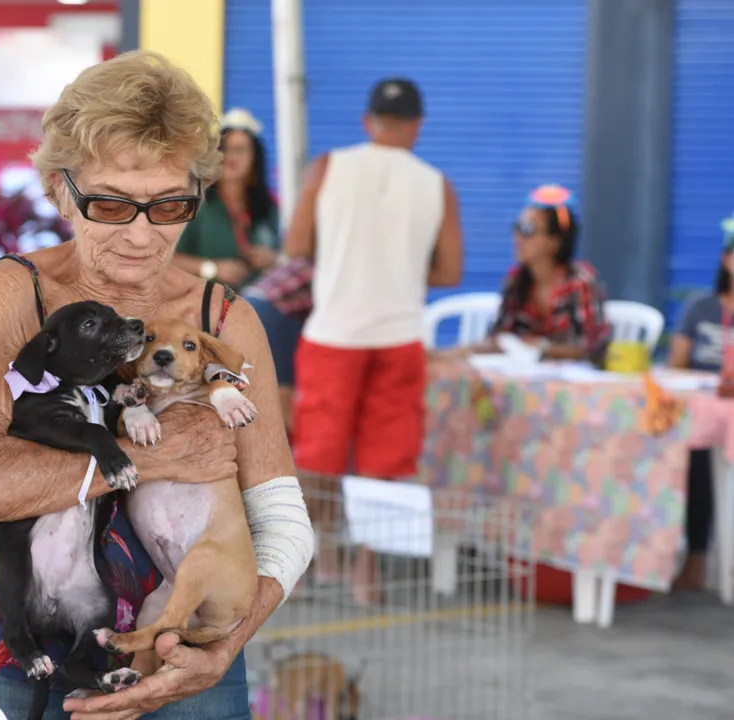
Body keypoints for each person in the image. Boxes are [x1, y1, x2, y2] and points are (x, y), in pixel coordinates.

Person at [0, 51, 314, 720]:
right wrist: (154, 457)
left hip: (174, 644)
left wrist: (226, 644)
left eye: (170, 205)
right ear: (59, 189)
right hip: (7, 634)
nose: (142, 236)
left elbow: (284, 519)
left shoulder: (220, 319)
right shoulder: (15, 293)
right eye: (110, 204)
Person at [283, 77, 463, 603]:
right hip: (400, 335)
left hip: (333, 333)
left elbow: (296, 246)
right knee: (385, 461)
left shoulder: (328, 167)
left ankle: (300, 565)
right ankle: (366, 574)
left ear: (367, 122)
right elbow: (450, 270)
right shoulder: (437, 184)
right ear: (418, 125)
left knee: (317, 455)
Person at [666, 213, 734, 590]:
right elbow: (676, 363)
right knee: (692, 448)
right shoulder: (701, 307)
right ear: (726, 259)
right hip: (705, 407)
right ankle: (693, 553)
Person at [483, 184, 611, 363]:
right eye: (517, 227)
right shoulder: (516, 280)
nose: (517, 237)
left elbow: (593, 348)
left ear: (555, 241)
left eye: (527, 230)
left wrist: (543, 348)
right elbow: (498, 336)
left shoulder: (581, 282)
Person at [171, 108, 280, 289]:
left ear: (255, 158)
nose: (229, 157)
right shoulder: (195, 204)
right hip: (202, 307)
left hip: (257, 307)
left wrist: (273, 260)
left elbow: (290, 257)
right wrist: (210, 268)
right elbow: (165, 260)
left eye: (239, 150)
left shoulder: (269, 205)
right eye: (223, 149)